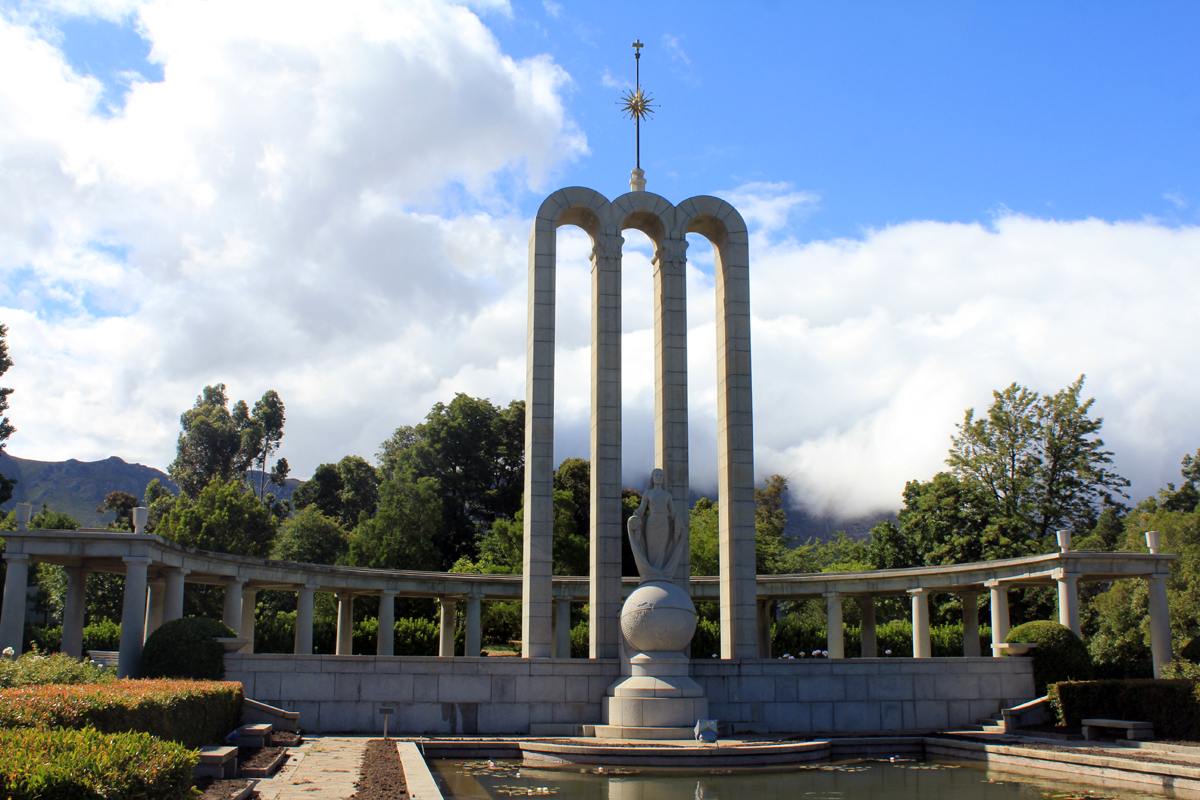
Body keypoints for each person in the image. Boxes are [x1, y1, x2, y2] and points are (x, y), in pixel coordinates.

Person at [627, 467, 682, 582]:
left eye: (660, 475)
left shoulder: (667, 495)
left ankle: (660, 572)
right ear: (652, 478)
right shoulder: (648, 493)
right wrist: (635, 517)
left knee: (662, 549)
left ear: (663, 479)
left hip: (663, 523)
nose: (658, 477)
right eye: (656, 475)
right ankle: (651, 572)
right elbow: (641, 510)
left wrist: (678, 522)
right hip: (651, 523)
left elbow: (672, 513)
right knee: (651, 548)